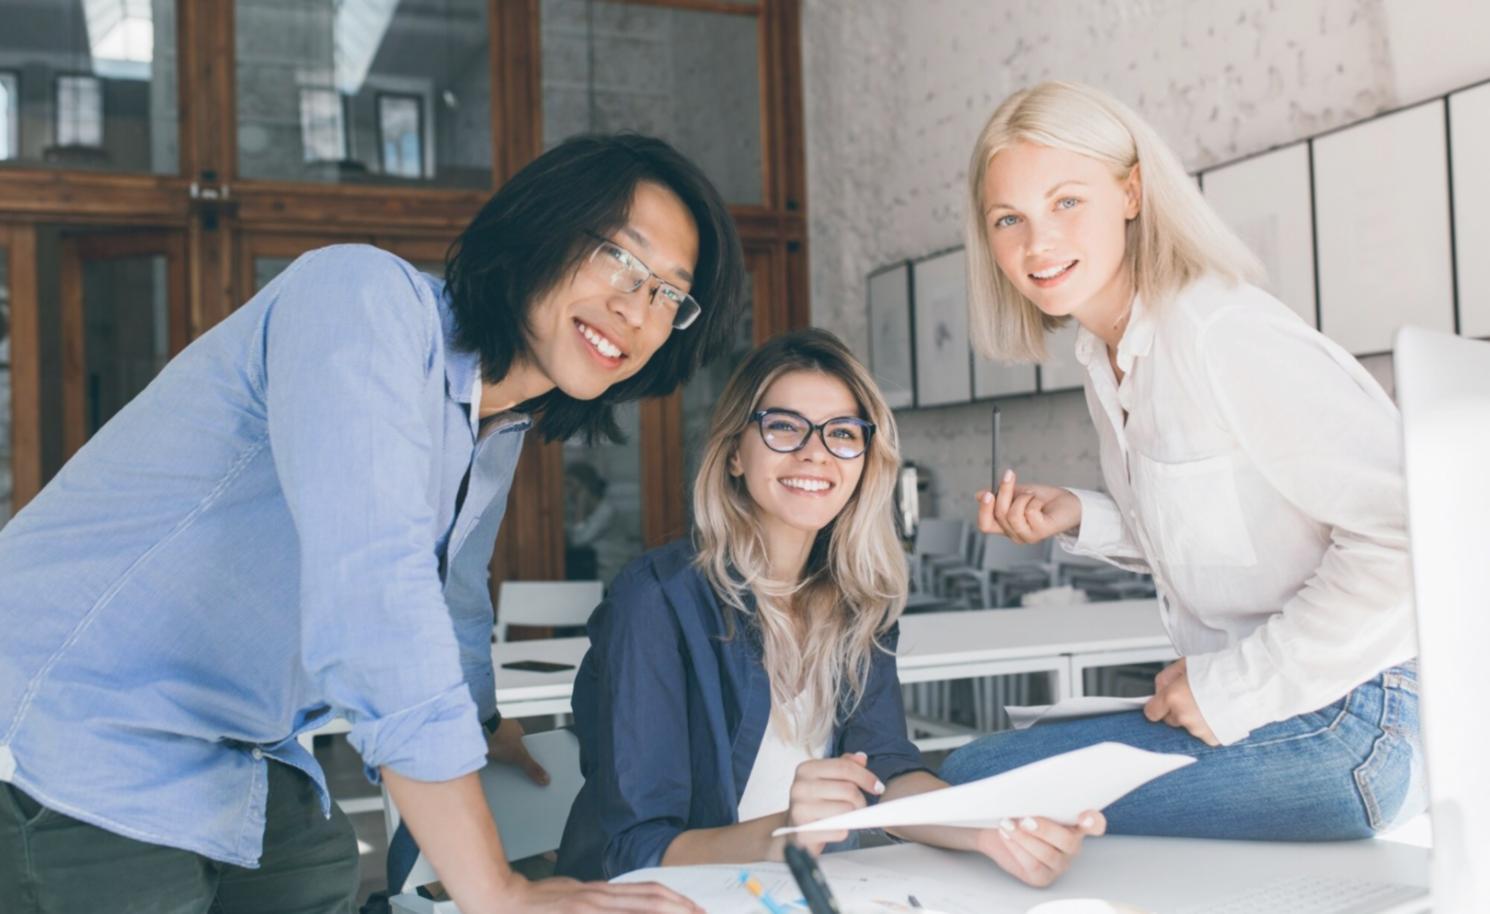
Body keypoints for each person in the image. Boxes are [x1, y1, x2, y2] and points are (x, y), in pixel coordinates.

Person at [0, 133, 747, 914]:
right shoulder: (360, 298)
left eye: (669, 295)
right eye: (622, 259)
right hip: (75, 730)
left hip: (236, 752)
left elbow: (455, 594)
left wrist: (481, 723)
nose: (636, 308)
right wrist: (497, 891)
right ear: (542, 228)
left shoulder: (496, 424)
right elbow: (374, 593)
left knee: (320, 867)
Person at [939, 80, 1424, 840]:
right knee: (981, 784)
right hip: (1294, 712)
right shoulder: (1107, 357)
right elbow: (1223, 532)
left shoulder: (1217, 332)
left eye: (1067, 202)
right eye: (1010, 219)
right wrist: (1082, 514)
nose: (1037, 243)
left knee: (971, 783)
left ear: (1131, 193)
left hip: (1360, 718)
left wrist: (1232, 690)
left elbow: (1413, 534)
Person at [556, 328, 1105, 886]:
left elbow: (887, 771)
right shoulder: (657, 599)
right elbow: (636, 849)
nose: (815, 452)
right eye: (784, 426)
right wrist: (785, 832)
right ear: (734, 454)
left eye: (842, 432)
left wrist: (994, 828)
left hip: (802, 892)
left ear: (865, 460)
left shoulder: (857, 600)